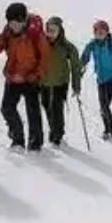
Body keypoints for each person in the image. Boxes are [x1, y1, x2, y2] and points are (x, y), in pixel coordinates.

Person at [0, 3, 46, 151]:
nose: (14, 26)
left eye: (17, 22)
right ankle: (17, 138)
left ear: (24, 20)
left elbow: (45, 58)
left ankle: (35, 142)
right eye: (11, 22)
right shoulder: (7, 33)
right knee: (7, 108)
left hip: (31, 78)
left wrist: (36, 75)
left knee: (33, 111)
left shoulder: (35, 34)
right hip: (13, 76)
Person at [80, 20, 112, 140]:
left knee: (104, 105)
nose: (99, 34)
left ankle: (109, 130)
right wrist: (81, 66)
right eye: (97, 32)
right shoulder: (93, 44)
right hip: (102, 79)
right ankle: (110, 129)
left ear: (107, 32)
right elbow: (85, 56)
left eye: (102, 32)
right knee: (103, 106)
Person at [41, 16, 81, 146]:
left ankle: (57, 135)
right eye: (49, 30)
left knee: (56, 108)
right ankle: (54, 129)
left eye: (54, 30)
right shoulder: (41, 44)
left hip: (60, 82)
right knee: (47, 106)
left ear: (60, 31)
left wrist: (76, 85)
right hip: (44, 82)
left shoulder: (67, 47)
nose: (51, 33)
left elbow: (75, 67)